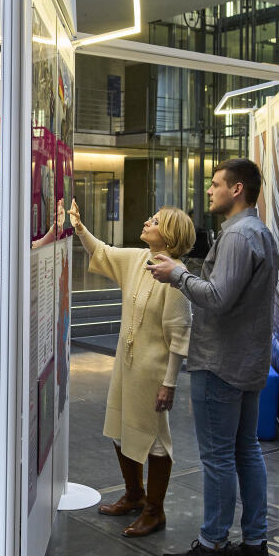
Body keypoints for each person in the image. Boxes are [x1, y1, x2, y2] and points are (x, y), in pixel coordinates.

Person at [146, 159, 279, 556]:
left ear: (237, 190)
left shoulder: (240, 235)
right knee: (245, 452)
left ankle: (212, 547)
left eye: (216, 184)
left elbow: (219, 298)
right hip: (247, 361)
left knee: (219, 458)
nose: (210, 190)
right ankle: (254, 547)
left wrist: (178, 274)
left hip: (221, 363)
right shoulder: (259, 232)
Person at [68, 198, 195, 537]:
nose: (147, 222)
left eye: (154, 221)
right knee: (119, 429)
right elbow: (104, 252)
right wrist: (79, 227)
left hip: (153, 373)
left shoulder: (175, 278)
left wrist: (170, 383)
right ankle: (135, 495)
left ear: (167, 234)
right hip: (126, 366)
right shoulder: (138, 260)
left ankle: (155, 512)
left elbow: (180, 337)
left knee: (154, 440)